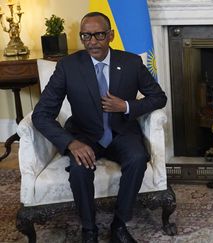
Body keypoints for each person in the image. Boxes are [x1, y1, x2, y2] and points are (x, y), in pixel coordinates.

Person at [32, 12, 167, 243]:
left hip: (122, 131)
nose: (92, 41)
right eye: (86, 36)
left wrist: (125, 105)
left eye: (98, 35)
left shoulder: (131, 62)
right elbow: (41, 115)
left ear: (111, 35)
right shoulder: (68, 66)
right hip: (84, 135)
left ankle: (119, 225)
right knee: (79, 169)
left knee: (137, 159)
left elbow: (158, 97)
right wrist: (70, 143)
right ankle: (89, 230)